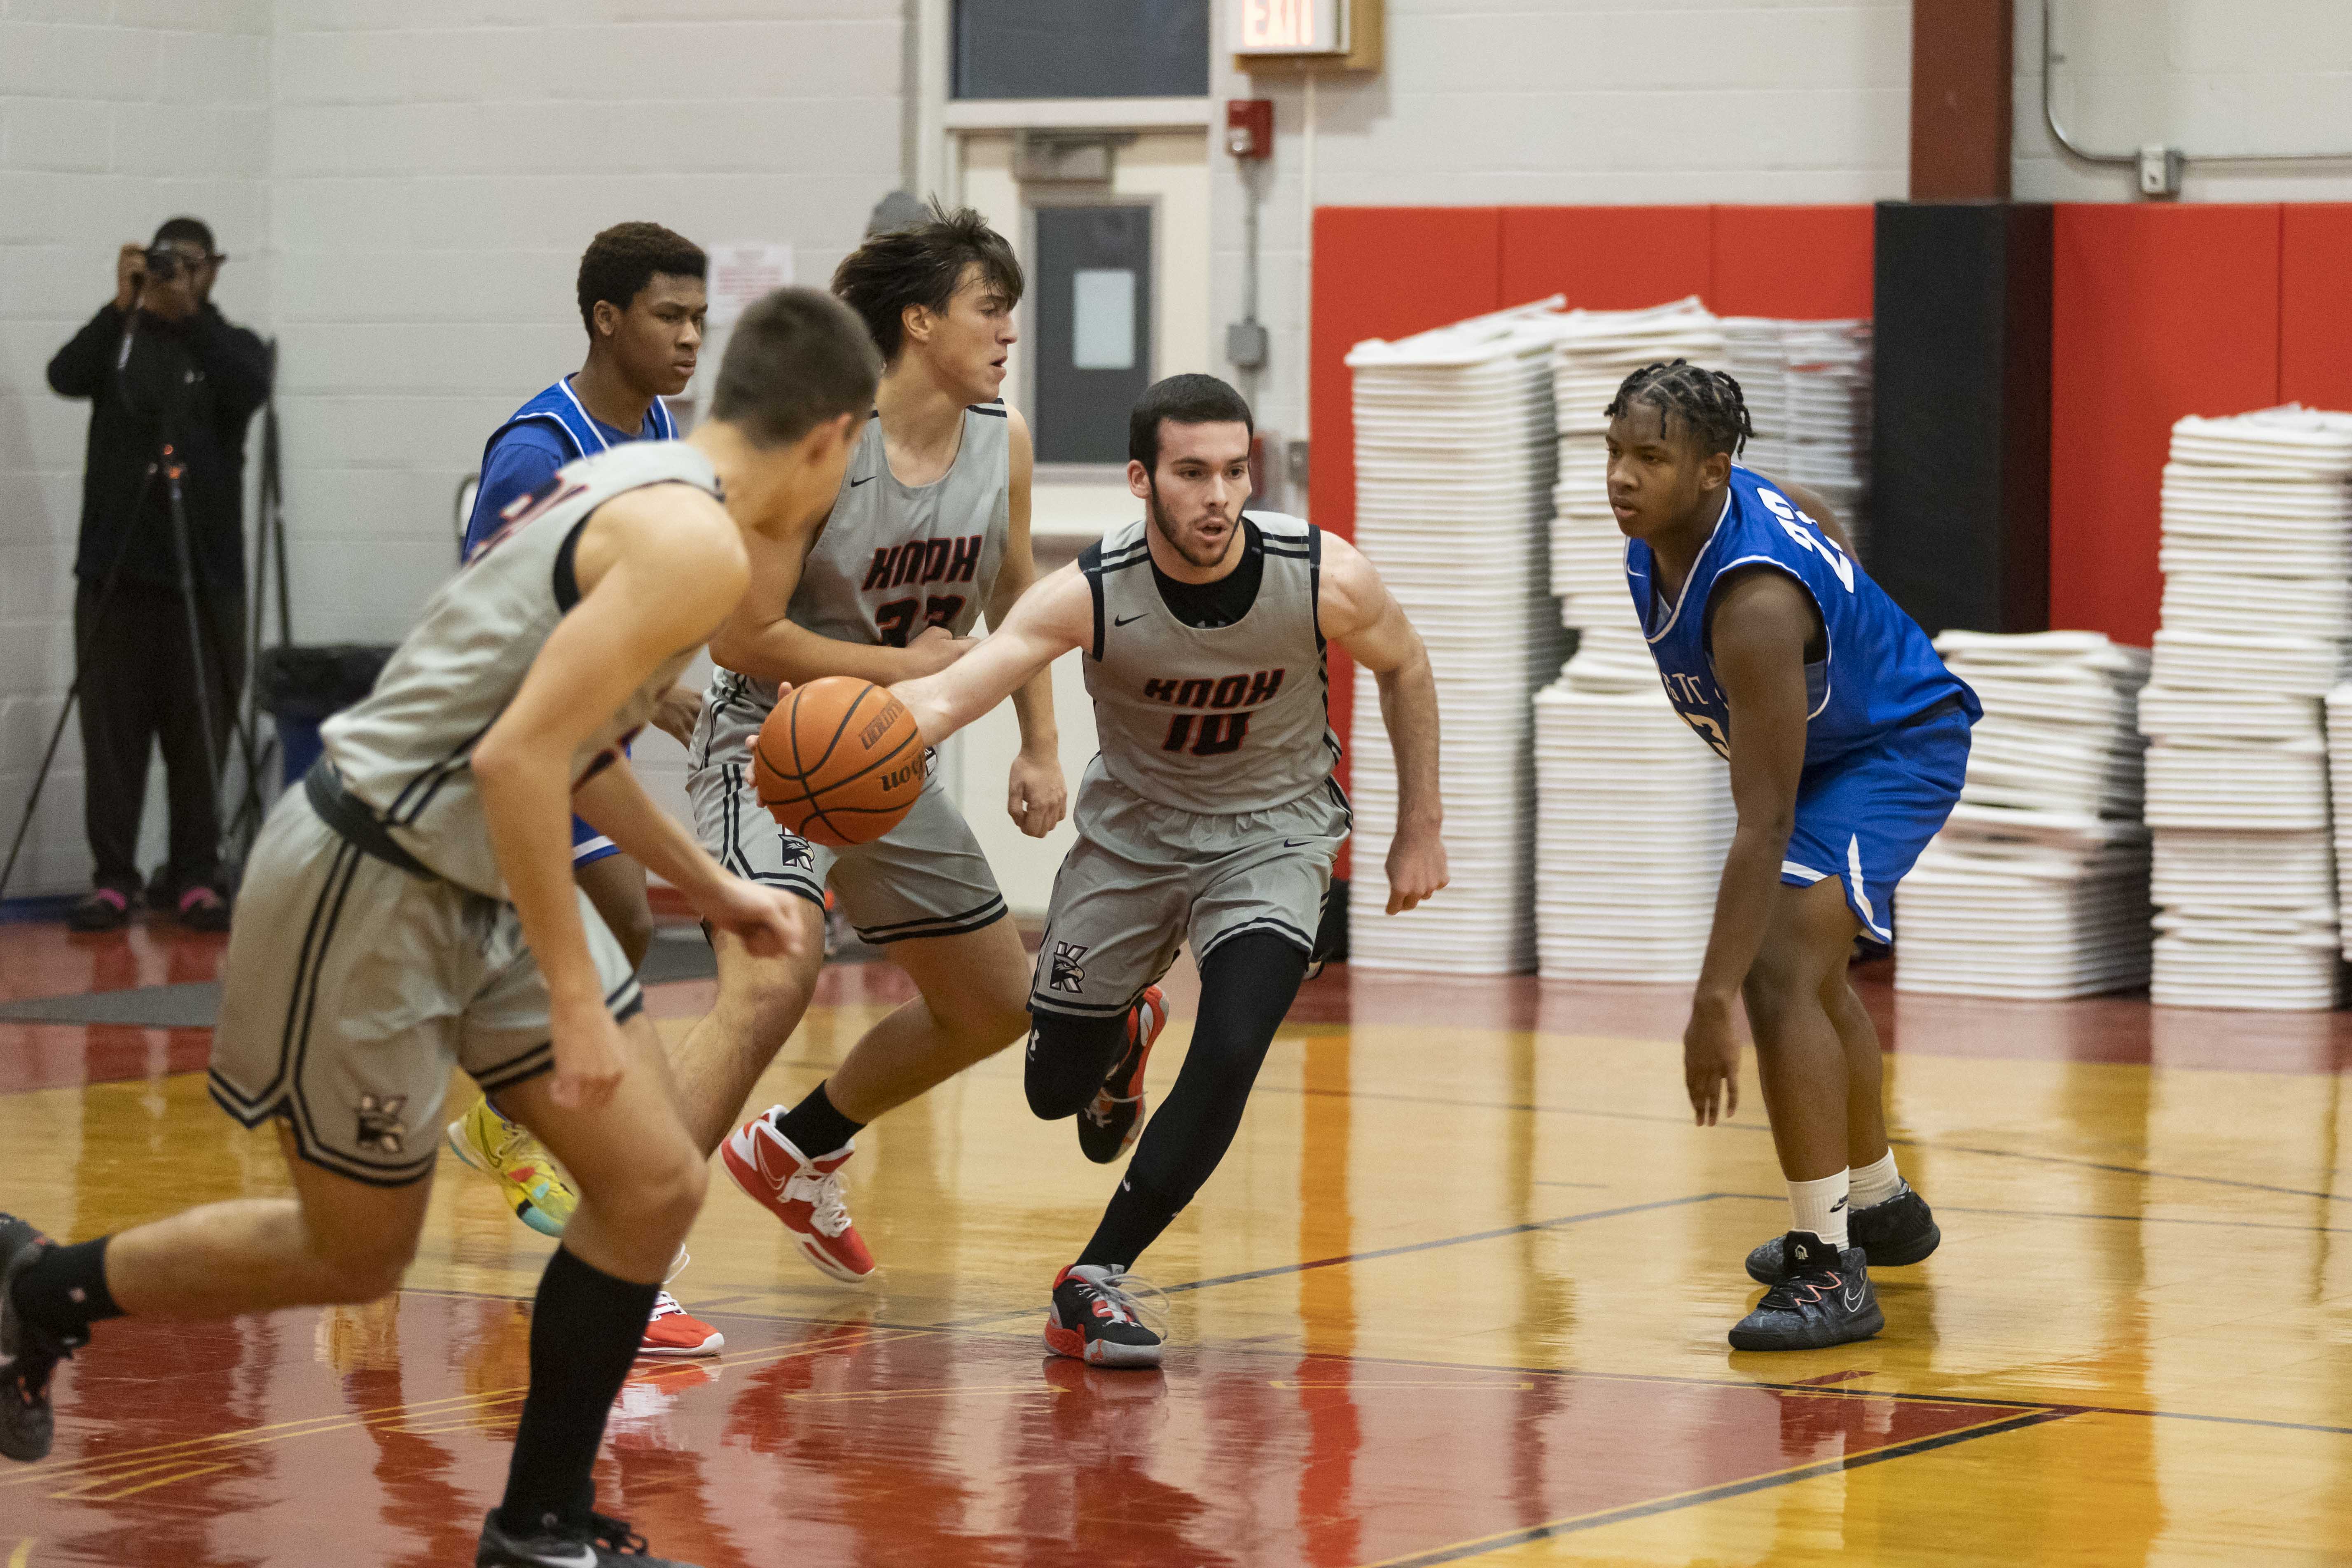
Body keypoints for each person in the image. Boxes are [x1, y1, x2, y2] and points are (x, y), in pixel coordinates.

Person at [1, 287, 881, 1568]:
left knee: (646, 1186)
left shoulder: (642, 482)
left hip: (466, 871)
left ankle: (538, 1522)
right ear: (830, 438)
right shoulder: (691, 545)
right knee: (356, 1253)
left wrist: (714, 884)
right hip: (373, 872)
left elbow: (565, 748)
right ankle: (39, 1290)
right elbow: (519, 760)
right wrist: (578, 996)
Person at [889, 374, 1450, 1366]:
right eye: (1192, 473)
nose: (1218, 496)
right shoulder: (1090, 591)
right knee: (1053, 1091)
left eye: (1235, 471)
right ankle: (1118, 1039)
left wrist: (1418, 828)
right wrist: (864, 740)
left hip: (1271, 837)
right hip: (1132, 841)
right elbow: (955, 693)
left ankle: (1093, 1277)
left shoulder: (1322, 574)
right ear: (1142, 479)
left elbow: (1405, 663)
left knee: (1234, 1042)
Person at [1606, 359, 1973, 1353]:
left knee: (1775, 977)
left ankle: (1827, 1271)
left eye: (1650, 457)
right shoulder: (1682, 529)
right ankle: (1878, 1205)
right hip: (1831, 744)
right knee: (1812, 974)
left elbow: (1759, 826)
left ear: (1712, 471)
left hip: (1894, 749)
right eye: (1614, 451)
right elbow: (1810, 511)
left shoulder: (1755, 607)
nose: (1621, 477)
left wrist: (1705, 1002)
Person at [442, 222, 721, 1358]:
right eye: (670, 317)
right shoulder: (534, 451)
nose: (691, 338)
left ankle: (507, 1118)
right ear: (607, 319)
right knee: (546, 973)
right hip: (498, 743)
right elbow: (490, 621)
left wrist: (653, 689)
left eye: (700, 318)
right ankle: (564, 1170)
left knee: (615, 930)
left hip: (570, 745)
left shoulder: (654, 425)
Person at [46, 217, 270, 934]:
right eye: (165, 263)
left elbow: (252, 387)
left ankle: (197, 875)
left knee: (201, 734)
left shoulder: (228, 346)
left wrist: (191, 315)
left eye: (190, 264)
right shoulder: (120, 339)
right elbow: (64, 375)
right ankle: (114, 878)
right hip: (116, 575)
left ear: (213, 270)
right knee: (112, 739)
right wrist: (122, 306)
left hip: (207, 582)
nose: (176, 275)